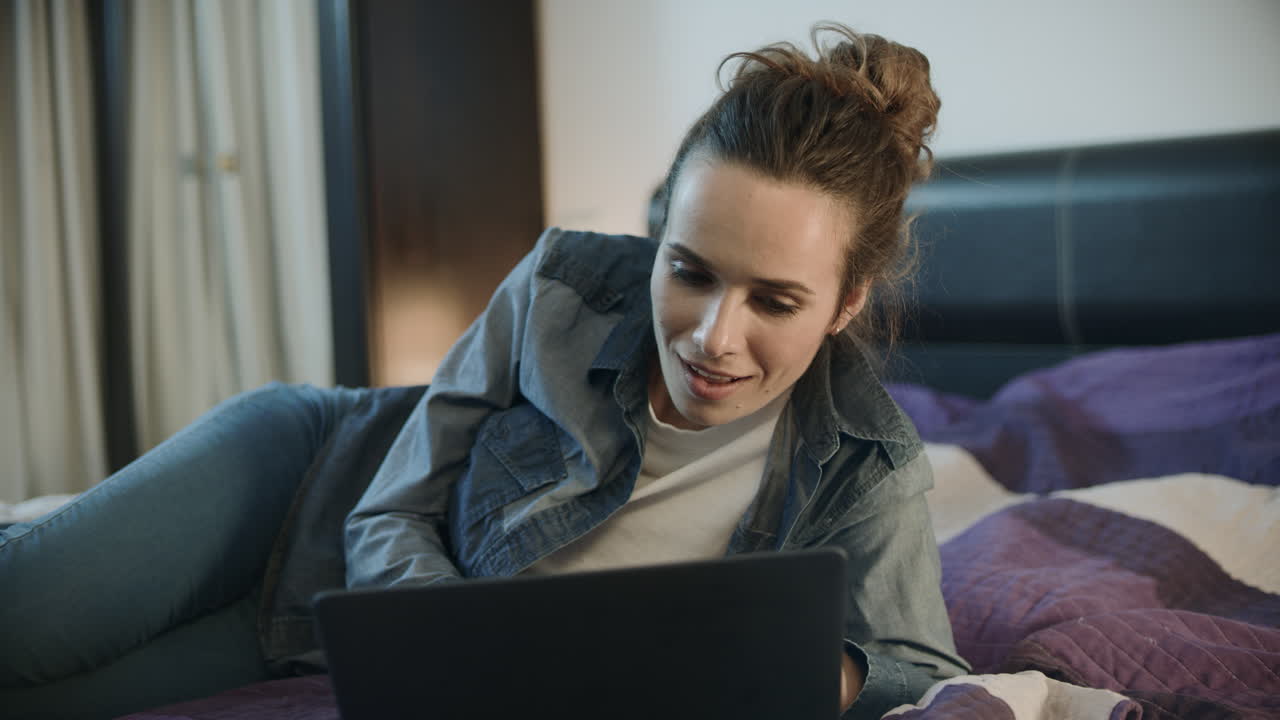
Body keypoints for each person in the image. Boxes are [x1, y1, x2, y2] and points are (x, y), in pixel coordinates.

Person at [0, 22, 968, 720]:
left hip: (318, 630)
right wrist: (476, 653)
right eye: (690, 271)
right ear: (657, 229)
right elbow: (388, 510)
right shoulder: (558, 286)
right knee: (21, 623)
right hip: (297, 472)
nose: (715, 337)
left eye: (774, 302)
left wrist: (792, 671)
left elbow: (921, 670)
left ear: (845, 304)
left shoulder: (866, 465)